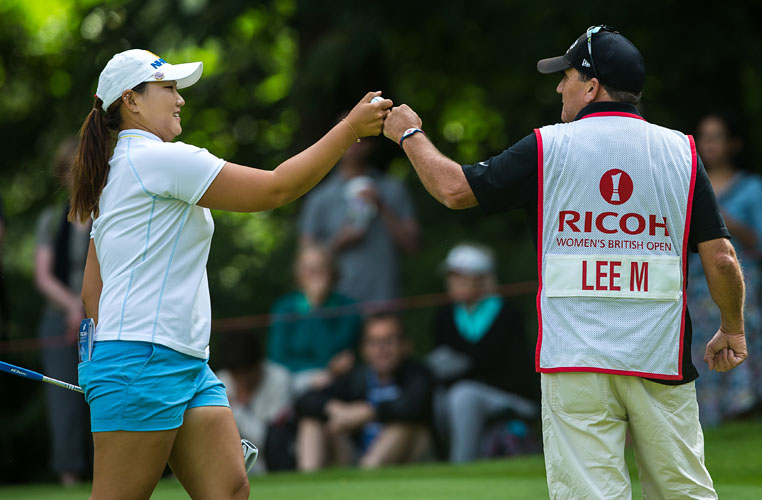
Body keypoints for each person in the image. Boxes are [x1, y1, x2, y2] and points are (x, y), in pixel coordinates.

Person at [382, 26, 746, 500]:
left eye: (567, 76)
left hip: (574, 360)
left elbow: (454, 189)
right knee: (684, 492)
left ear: (592, 86)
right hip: (660, 359)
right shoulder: (682, 151)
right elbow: (720, 257)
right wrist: (732, 327)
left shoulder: (549, 146)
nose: (559, 87)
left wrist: (409, 134)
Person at [70, 48, 390, 499]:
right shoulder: (157, 160)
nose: (179, 100)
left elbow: (92, 291)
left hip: (177, 360)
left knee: (229, 491)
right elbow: (277, 187)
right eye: (168, 89)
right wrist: (350, 130)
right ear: (132, 101)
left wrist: (99, 357)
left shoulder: (116, 171)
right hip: (143, 359)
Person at [427, 243, 538, 463]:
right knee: (438, 397)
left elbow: (517, 373)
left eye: (461, 277)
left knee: (464, 395)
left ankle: (461, 469)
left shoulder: (508, 313)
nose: (453, 284)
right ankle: (436, 464)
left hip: (511, 397)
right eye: (452, 277)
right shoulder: (444, 316)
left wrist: (466, 366)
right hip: (463, 394)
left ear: (482, 279)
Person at [688, 111, 762, 425]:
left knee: (739, 339)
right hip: (694, 284)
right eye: (704, 137)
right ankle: (707, 420)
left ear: (733, 143)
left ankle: (741, 413)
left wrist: (717, 219)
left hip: (739, 280)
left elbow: (756, 239)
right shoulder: (689, 183)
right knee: (699, 349)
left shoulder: (751, 188)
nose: (709, 144)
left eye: (717, 137)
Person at [295, 313, 432, 470]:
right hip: (355, 456)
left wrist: (369, 413)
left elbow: (414, 406)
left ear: (405, 345)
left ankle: (369, 472)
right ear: (363, 348)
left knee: (403, 425)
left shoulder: (419, 373)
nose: (381, 349)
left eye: (389, 341)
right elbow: (304, 401)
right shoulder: (356, 377)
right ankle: (308, 481)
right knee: (312, 421)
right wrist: (336, 409)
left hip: (407, 456)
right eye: (373, 342)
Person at [299, 137, 419, 305]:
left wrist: (382, 206)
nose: (353, 145)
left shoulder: (392, 189)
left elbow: (412, 246)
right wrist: (337, 243)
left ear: (371, 144)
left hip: (384, 298)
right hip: (337, 304)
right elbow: (305, 262)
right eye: (347, 136)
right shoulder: (320, 197)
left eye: (360, 138)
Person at [34, 138, 91, 485]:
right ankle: (69, 478)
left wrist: (85, 307)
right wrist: (72, 306)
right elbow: (42, 275)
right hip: (59, 319)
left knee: (108, 394)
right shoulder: (49, 219)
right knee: (62, 399)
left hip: (101, 315)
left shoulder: (107, 211)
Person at [268, 244, 363, 396]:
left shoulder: (348, 307)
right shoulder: (284, 308)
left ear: (332, 272)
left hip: (340, 380)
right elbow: (277, 359)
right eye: (308, 269)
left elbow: (339, 352)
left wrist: (317, 307)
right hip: (293, 381)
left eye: (321, 268)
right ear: (298, 274)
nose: (315, 274)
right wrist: (321, 370)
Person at [215, 331, 293, 473]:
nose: (243, 381)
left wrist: (236, 409)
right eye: (236, 375)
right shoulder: (219, 383)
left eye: (247, 373)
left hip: (271, 464)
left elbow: (269, 441)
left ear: (259, 364)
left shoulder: (279, 379)